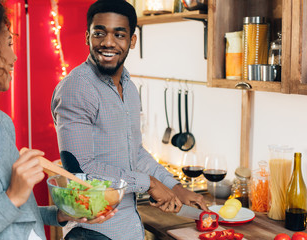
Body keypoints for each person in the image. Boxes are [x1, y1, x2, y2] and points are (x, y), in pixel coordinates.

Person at [0, 0, 116, 239]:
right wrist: (12, 196)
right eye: (8, 43)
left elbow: (17, 214)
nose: (14, 56)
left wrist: (61, 214)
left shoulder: (1, 122)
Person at [51, 0, 208, 239]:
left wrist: (175, 188)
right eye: (99, 33)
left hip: (127, 229)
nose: (108, 42)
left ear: (132, 41)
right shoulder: (77, 87)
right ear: (87, 37)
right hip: (92, 231)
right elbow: (81, 170)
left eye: (119, 34)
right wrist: (151, 184)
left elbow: (135, 152)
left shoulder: (129, 88)